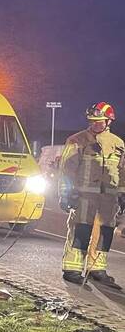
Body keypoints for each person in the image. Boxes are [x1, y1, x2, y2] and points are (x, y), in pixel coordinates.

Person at [59, 102, 125, 288]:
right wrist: (66, 193)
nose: (96, 124)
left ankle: (97, 269)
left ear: (108, 121)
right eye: (93, 121)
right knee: (80, 231)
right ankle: (72, 269)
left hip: (108, 200)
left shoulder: (118, 144)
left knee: (104, 234)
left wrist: (123, 194)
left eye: (100, 121)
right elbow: (66, 170)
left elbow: (122, 172)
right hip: (83, 197)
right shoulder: (76, 140)